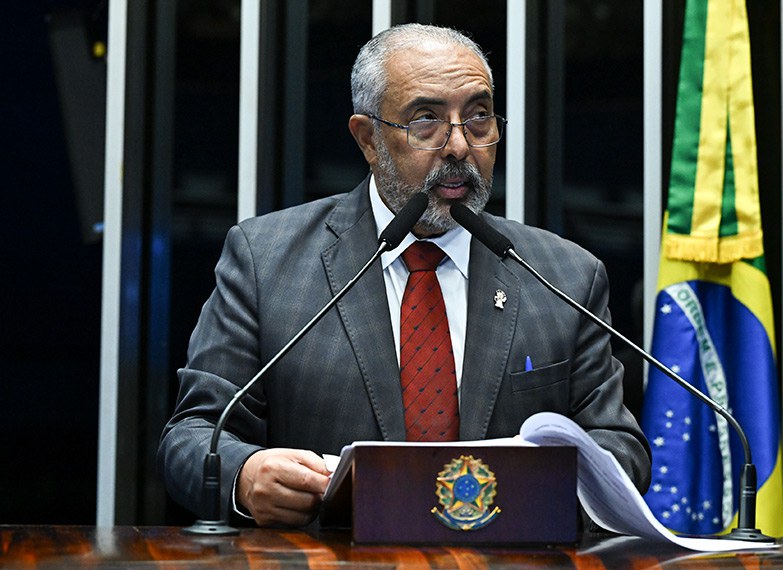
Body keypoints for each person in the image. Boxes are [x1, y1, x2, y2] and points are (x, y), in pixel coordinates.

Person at [158, 23, 651, 528]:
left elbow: (623, 453)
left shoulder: (565, 276)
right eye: (427, 121)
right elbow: (193, 436)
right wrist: (244, 473)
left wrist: (535, 482)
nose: (460, 146)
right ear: (368, 138)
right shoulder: (267, 261)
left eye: (479, 117)